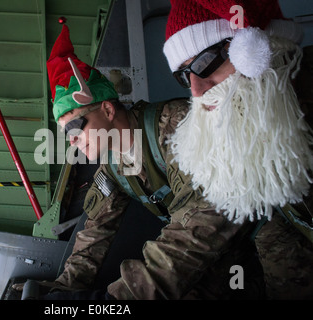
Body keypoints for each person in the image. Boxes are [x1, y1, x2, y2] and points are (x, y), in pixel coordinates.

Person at [17, 0, 313, 299]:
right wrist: (62, 290)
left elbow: (202, 218)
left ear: (107, 109)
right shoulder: (114, 169)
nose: (71, 140)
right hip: (210, 252)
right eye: (185, 77)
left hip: (257, 235)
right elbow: (95, 234)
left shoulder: (175, 126)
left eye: (73, 127)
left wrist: (114, 301)